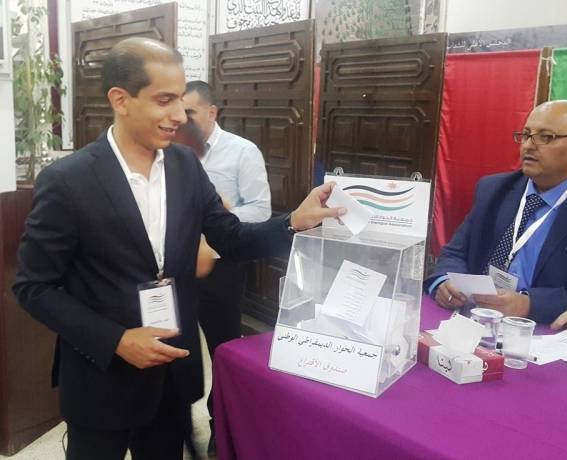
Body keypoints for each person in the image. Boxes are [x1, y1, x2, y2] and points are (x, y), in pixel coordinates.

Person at [13, 37, 344, 460]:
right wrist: (116, 340)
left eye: (181, 101)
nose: (178, 116)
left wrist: (293, 221)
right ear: (120, 100)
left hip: (172, 373)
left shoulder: (185, 166)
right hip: (101, 378)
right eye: (164, 100)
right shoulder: (68, 181)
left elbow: (230, 238)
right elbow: (34, 287)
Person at [426, 100, 567, 324]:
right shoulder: (494, 189)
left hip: (546, 331)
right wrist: (444, 281)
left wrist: (530, 304)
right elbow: (455, 253)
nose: (528, 146)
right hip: (475, 319)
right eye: (526, 135)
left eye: (546, 137)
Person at [176, 80, 271, 451]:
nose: (180, 120)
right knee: (175, 347)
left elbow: (260, 210)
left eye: (189, 112)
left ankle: (221, 426)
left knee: (222, 351)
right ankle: (176, 422)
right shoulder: (170, 149)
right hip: (175, 268)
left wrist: (218, 217)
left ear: (211, 112)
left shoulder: (242, 152)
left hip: (220, 266)